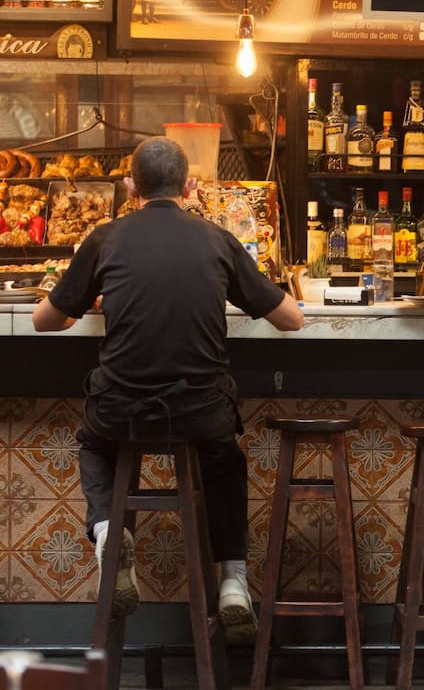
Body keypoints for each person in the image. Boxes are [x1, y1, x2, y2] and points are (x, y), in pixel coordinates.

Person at [32, 136, 303, 642]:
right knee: (223, 459)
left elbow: (46, 322)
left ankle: (110, 532)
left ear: (130, 185)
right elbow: (291, 319)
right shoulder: (217, 239)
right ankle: (233, 584)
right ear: (191, 185)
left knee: (93, 442)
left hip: (120, 411)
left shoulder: (104, 238)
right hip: (201, 413)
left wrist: (92, 299)